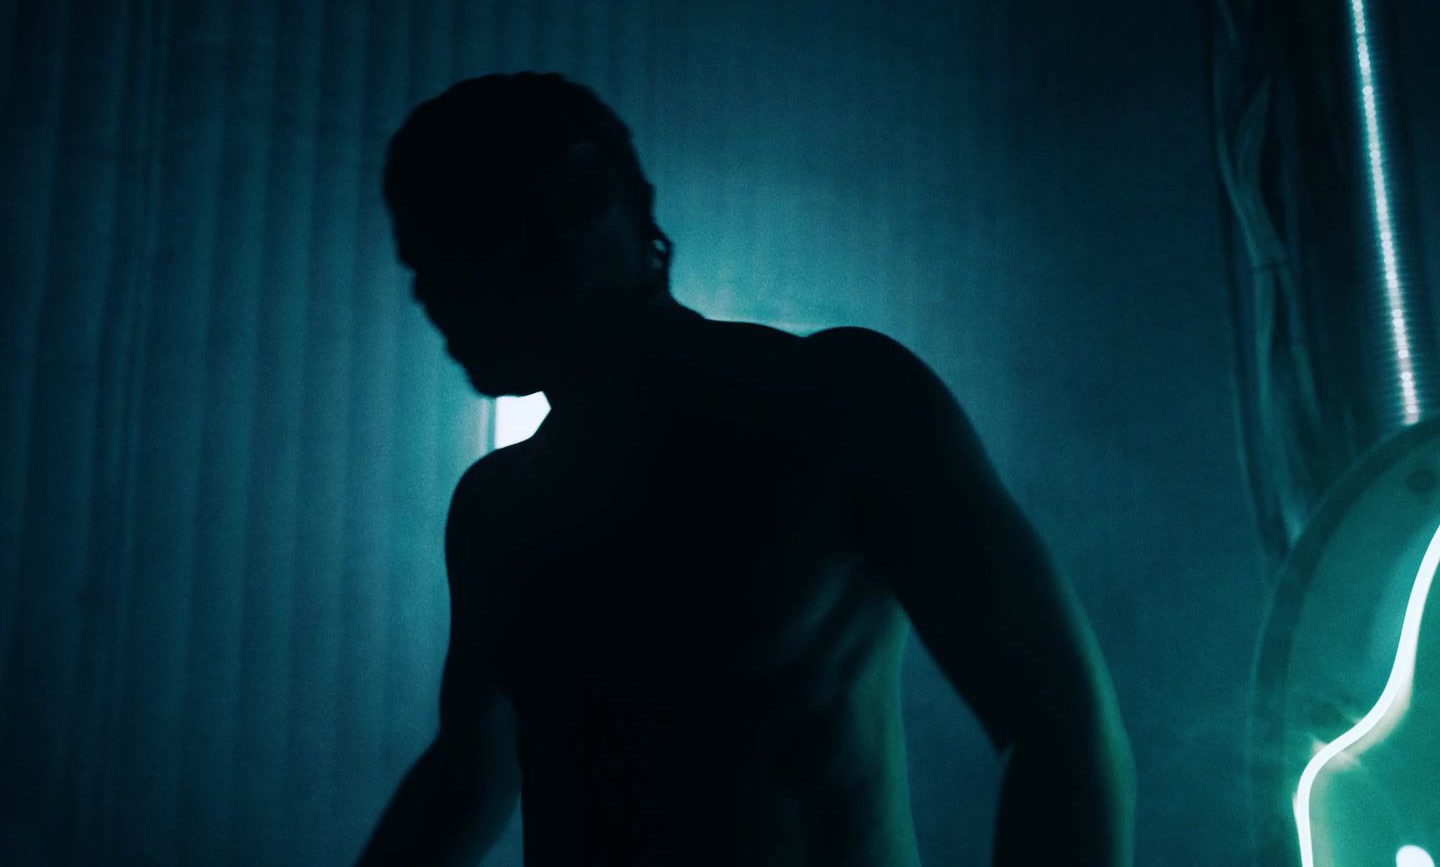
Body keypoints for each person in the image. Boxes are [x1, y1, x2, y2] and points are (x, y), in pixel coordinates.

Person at [355, 72, 1135, 866]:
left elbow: (1059, 734)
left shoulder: (838, 402)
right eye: (416, 262)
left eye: (454, 238)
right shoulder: (494, 508)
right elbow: (469, 775)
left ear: (585, 198)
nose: (427, 290)